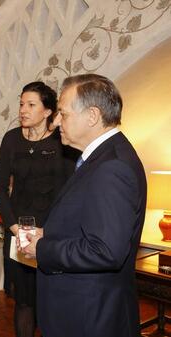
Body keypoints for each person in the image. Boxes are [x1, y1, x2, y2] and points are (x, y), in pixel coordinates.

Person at [23, 74, 147, 337]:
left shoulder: (112, 167)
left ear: (92, 116)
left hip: (90, 316)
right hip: (82, 310)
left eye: (63, 115)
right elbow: (90, 222)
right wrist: (51, 234)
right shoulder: (101, 158)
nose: (56, 122)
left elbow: (105, 250)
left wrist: (44, 248)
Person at [0, 81, 77, 337]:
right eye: (21, 104)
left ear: (48, 111)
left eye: (31, 105)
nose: (23, 110)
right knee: (24, 301)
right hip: (18, 230)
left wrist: (48, 232)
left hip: (51, 234)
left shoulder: (62, 140)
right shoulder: (11, 139)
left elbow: (70, 191)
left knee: (51, 300)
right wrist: (15, 227)